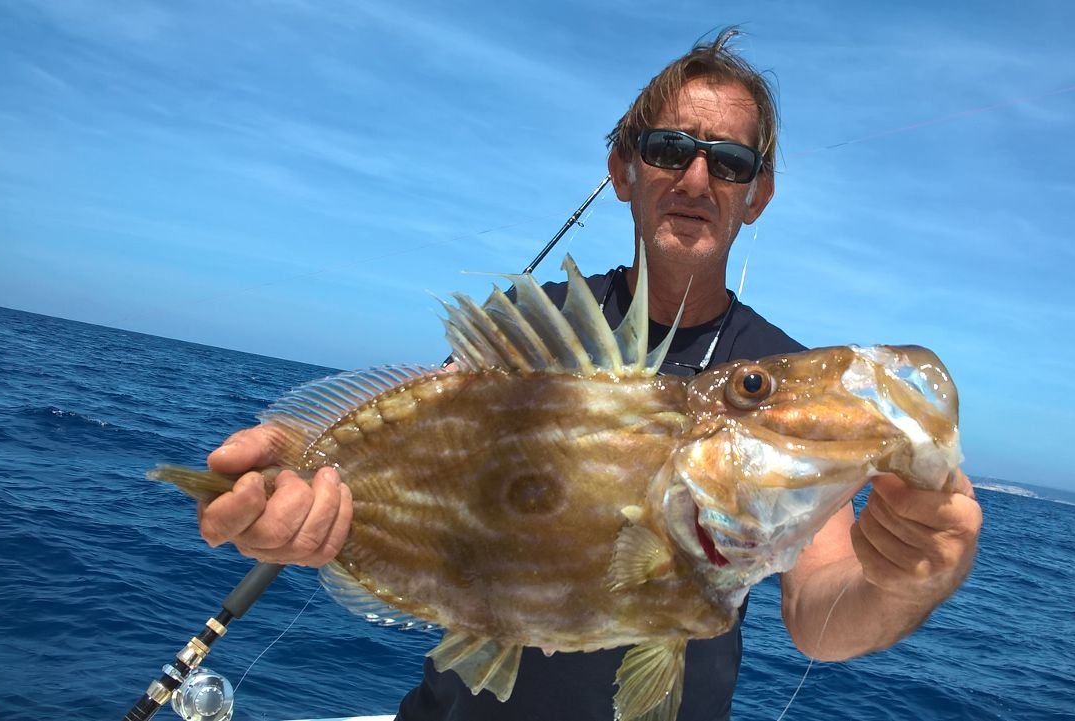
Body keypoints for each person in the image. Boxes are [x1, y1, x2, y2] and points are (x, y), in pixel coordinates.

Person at [197, 28, 982, 721]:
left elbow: (819, 608)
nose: (697, 179)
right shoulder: (533, 323)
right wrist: (305, 491)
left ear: (757, 195)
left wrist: (902, 577)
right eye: (669, 150)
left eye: (730, 161)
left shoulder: (774, 365)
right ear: (622, 168)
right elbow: (422, 442)